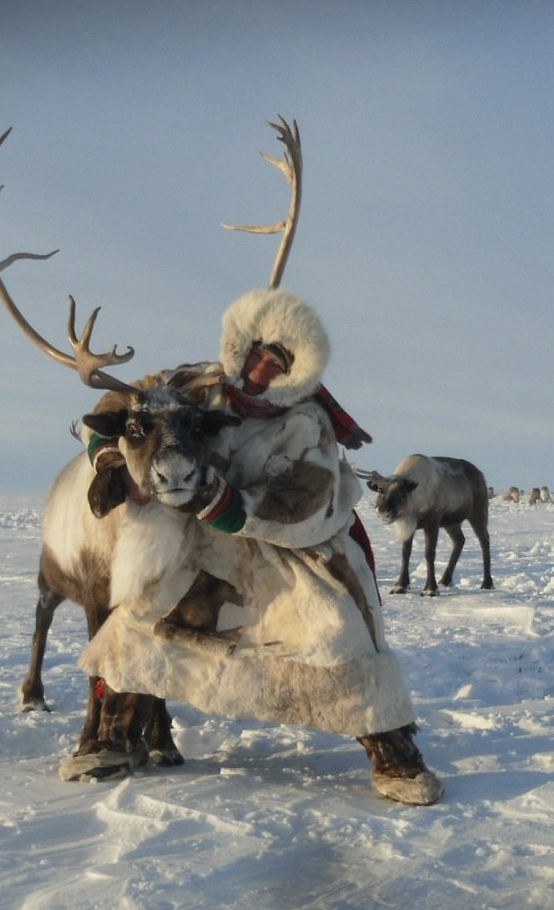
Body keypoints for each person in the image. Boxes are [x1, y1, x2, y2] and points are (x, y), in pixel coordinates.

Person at [66, 288, 443, 806]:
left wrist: (229, 504)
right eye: (259, 353)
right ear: (241, 346)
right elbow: (123, 401)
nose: (263, 369)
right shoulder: (199, 384)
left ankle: (395, 756)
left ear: (297, 372)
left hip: (296, 553)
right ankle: (115, 737)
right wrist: (112, 456)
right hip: (213, 548)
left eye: (280, 362)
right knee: (142, 621)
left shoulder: (305, 422)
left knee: (338, 636)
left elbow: (306, 501)